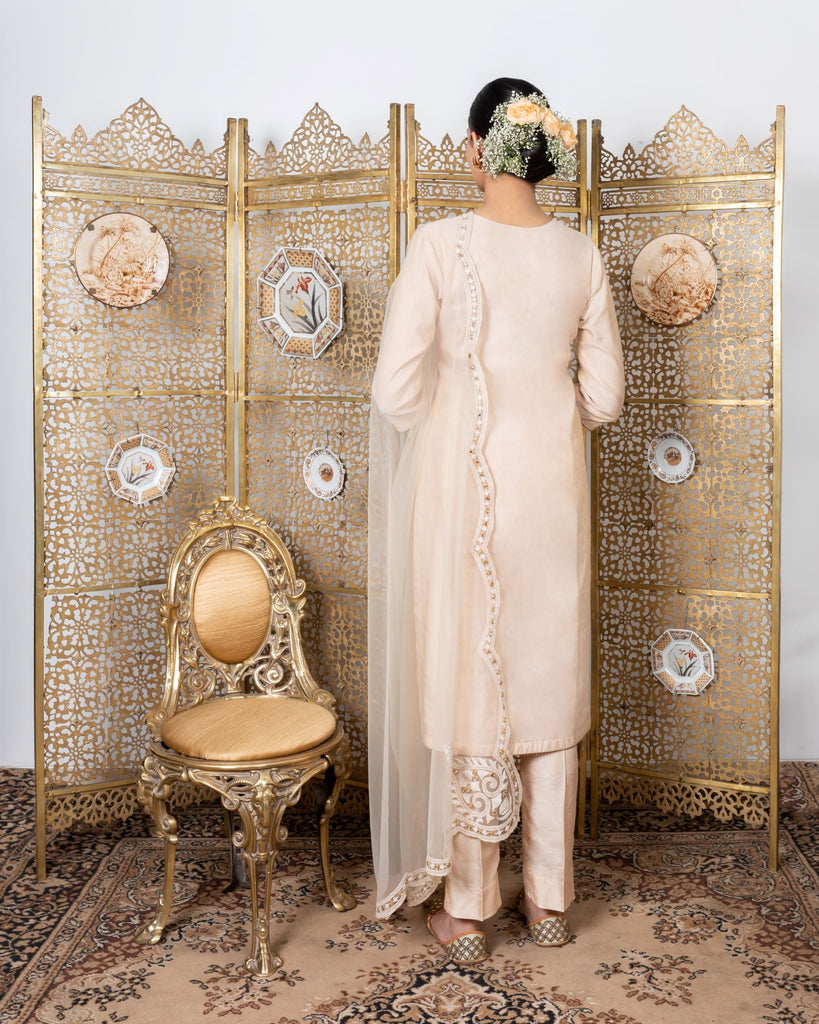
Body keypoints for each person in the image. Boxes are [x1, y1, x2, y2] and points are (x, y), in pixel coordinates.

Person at [367, 77, 625, 965]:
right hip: (549, 493)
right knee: (546, 682)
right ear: (544, 150)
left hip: (463, 493)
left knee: (472, 681)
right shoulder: (580, 254)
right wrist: (548, 410)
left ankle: (468, 910)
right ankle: (548, 903)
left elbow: (393, 391)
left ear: (476, 147)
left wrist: (451, 418)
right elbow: (606, 398)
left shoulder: (439, 244)